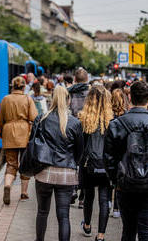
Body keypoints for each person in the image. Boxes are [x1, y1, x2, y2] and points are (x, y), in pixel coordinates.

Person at [104, 81, 148, 241]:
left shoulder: (116, 125)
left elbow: (108, 158)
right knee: (147, 233)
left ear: (129, 97)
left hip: (125, 185)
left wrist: (115, 181)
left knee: (128, 231)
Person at [34, 86, 84, 241]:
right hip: (66, 174)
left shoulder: (41, 119)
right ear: (68, 100)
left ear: (52, 99)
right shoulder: (75, 123)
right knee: (64, 216)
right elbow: (80, 151)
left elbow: (33, 144)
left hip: (44, 172)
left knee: (42, 211)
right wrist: (72, 164)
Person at [78, 85, 113, 241]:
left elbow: (80, 146)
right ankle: (101, 235)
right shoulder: (111, 121)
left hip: (88, 164)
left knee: (89, 196)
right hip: (105, 165)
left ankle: (87, 225)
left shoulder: (83, 120)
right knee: (104, 199)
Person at [0, 76, 38, 205]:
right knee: (25, 163)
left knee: (11, 164)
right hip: (24, 133)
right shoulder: (27, 99)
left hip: (9, 132)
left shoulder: (5, 99)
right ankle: (24, 193)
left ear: (12, 86)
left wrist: (1, 132)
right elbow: (34, 117)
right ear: (24, 86)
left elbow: (1, 120)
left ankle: (8, 185)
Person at [68, 67, 90, 208]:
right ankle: (83, 197)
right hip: (88, 128)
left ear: (74, 79)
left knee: (72, 159)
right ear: (87, 78)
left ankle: (72, 189)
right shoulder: (91, 93)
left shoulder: (68, 92)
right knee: (85, 162)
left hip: (72, 128)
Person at [110, 88, 128, 219]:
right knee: (119, 180)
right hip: (123, 151)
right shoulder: (127, 115)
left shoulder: (108, 116)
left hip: (112, 150)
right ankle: (117, 207)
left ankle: (109, 202)